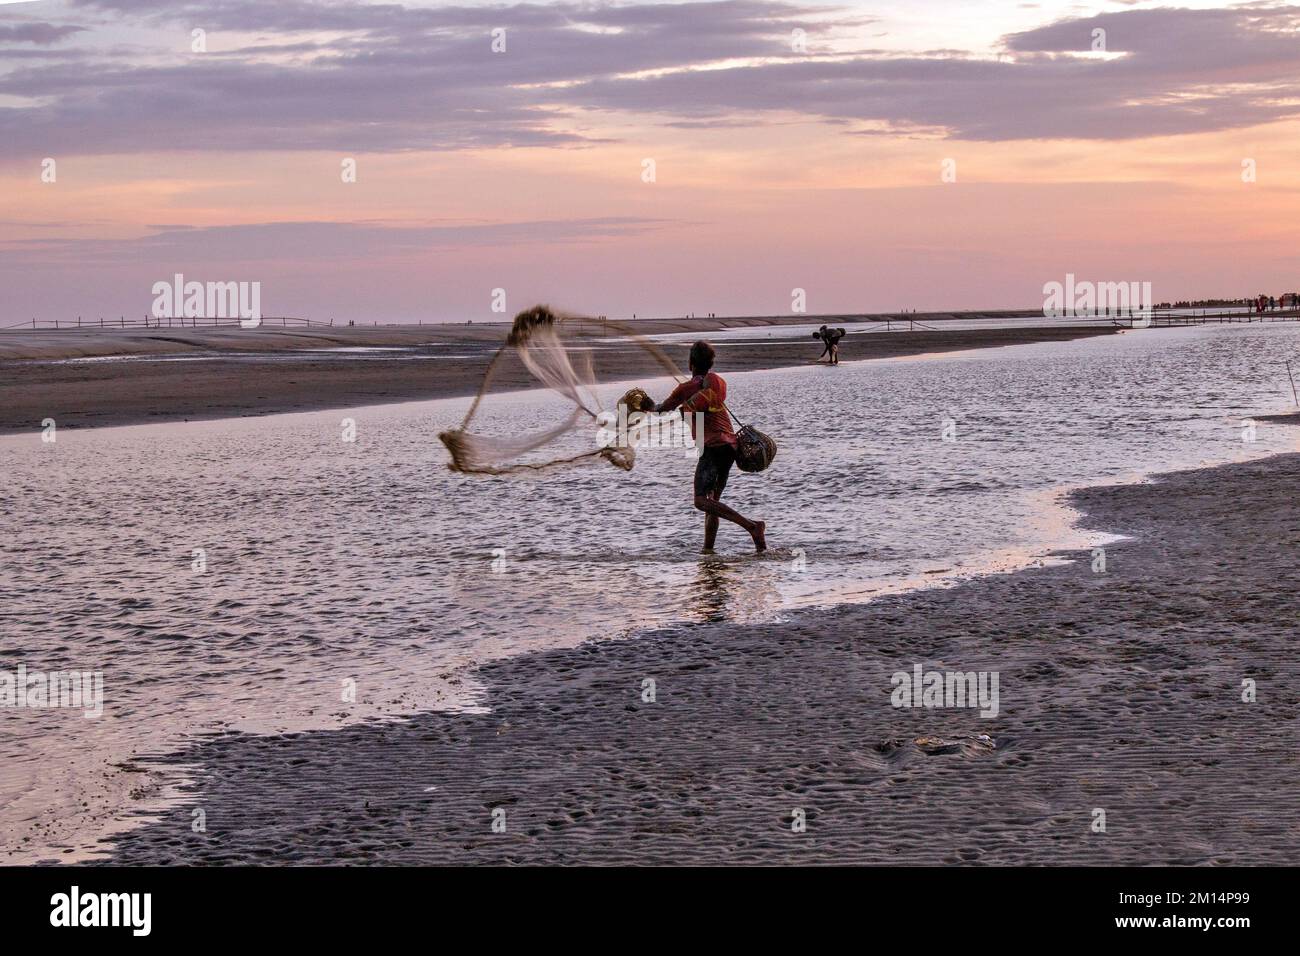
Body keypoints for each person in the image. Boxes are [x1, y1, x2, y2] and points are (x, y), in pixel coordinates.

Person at [643, 341, 766, 554]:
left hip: (714, 447)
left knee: (700, 501)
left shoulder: (686, 388)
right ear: (710, 363)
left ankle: (752, 526)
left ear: (690, 364)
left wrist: (646, 405)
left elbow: (662, 408)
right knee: (713, 503)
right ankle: (708, 551)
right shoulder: (717, 382)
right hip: (730, 447)